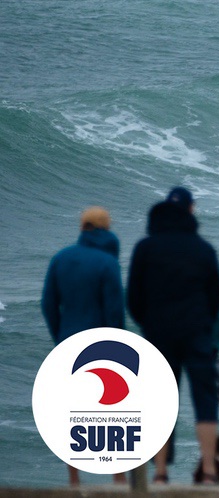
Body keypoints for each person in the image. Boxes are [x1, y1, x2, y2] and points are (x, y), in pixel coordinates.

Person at [126, 186, 219, 484]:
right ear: (191, 211)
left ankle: (160, 472)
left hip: (158, 332)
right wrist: (204, 327)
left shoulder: (145, 247)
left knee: (161, 400)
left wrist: (149, 323)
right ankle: (208, 471)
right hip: (196, 333)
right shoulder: (204, 249)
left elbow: (133, 297)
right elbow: (217, 299)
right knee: (205, 399)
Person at [42, 206, 127, 487]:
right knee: (113, 413)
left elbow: (48, 305)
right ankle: (118, 478)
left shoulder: (60, 258)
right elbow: (115, 311)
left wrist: (61, 336)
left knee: (73, 412)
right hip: (103, 347)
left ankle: (74, 480)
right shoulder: (107, 263)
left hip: (68, 342)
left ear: (82, 227)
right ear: (106, 229)